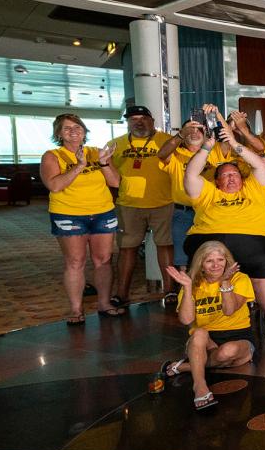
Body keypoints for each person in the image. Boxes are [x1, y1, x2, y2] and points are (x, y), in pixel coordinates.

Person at [183, 104, 265, 339]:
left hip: (257, 243)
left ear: (242, 177)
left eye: (235, 174)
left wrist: (235, 143)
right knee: (206, 259)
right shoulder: (207, 192)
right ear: (216, 181)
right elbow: (191, 174)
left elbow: (259, 164)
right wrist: (207, 147)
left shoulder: (254, 188)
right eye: (225, 175)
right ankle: (203, 322)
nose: (231, 178)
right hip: (209, 241)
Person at [41, 114, 126, 324]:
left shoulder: (96, 152)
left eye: (77, 127)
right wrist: (79, 166)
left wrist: (104, 163)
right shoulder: (52, 156)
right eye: (67, 128)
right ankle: (76, 310)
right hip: (69, 214)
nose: (73, 131)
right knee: (75, 262)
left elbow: (116, 182)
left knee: (103, 260)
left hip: (103, 212)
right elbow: (54, 185)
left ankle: (104, 303)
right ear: (59, 134)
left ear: (84, 131)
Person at [163, 241, 255, 410]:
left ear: (226, 261)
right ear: (201, 264)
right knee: (199, 332)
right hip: (205, 340)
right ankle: (199, 386)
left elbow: (229, 310)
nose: (215, 265)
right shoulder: (192, 283)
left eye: (220, 260)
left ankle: (188, 366)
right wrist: (188, 288)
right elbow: (186, 320)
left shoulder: (240, 279)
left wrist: (225, 283)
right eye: (209, 261)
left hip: (238, 336)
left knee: (227, 352)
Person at [108, 104, 175, 308]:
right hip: (129, 205)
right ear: (128, 123)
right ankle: (122, 294)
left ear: (152, 121)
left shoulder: (167, 140)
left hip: (163, 202)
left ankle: (170, 291)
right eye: (133, 119)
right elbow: (107, 172)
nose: (139, 122)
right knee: (127, 248)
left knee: (165, 246)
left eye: (143, 118)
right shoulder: (115, 144)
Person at [158, 119, 211, 271]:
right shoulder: (175, 155)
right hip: (183, 213)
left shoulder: (215, 151)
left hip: (209, 211)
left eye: (199, 129)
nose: (194, 132)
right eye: (190, 129)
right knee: (183, 260)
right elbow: (162, 154)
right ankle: (185, 285)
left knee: (210, 254)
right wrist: (180, 135)